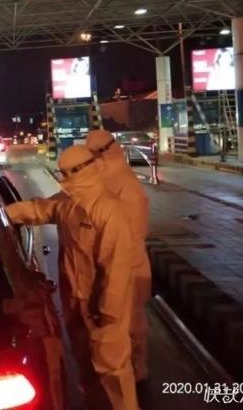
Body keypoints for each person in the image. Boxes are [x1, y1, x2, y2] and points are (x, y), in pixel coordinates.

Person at [6, 145, 138, 410]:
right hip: (75, 300)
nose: (63, 179)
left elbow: (117, 267)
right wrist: (5, 214)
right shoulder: (69, 203)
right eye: (61, 173)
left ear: (84, 170)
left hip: (102, 309)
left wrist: (109, 314)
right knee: (85, 364)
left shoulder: (109, 210)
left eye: (68, 173)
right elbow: (41, 209)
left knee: (112, 371)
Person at [86, 129, 151, 383]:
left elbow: (131, 236)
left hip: (127, 268)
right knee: (118, 323)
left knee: (130, 323)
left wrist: (114, 268)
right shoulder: (108, 179)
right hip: (114, 266)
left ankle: (135, 370)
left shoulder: (125, 186)